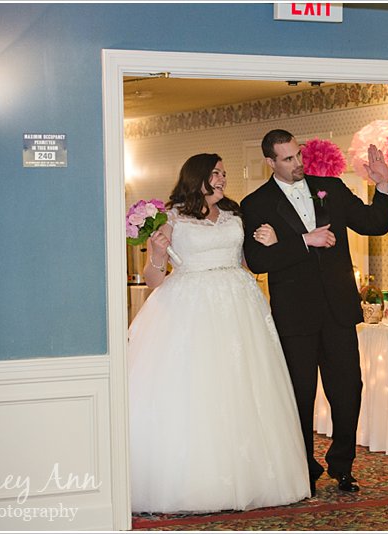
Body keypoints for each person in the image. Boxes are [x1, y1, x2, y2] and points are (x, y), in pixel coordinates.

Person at [127, 153, 310, 513]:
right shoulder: (171, 217)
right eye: (216, 173)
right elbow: (154, 279)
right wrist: (157, 254)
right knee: (200, 387)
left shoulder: (234, 213)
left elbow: (249, 262)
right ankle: (198, 481)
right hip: (191, 305)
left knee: (245, 386)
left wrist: (271, 243)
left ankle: (254, 477)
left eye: (224, 173)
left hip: (240, 304)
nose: (223, 178)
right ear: (197, 177)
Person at [241, 129, 388, 495]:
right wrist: (303, 241)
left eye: (298, 154)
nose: (298, 163)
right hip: (294, 316)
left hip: (339, 311)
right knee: (300, 395)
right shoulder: (256, 203)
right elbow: (258, 260)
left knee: (348, 391)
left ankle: (343, 465)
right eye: (288, 159)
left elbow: (375, 224)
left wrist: (383, 186)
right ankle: (303, 467)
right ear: (270, 162)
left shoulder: (332, 188)